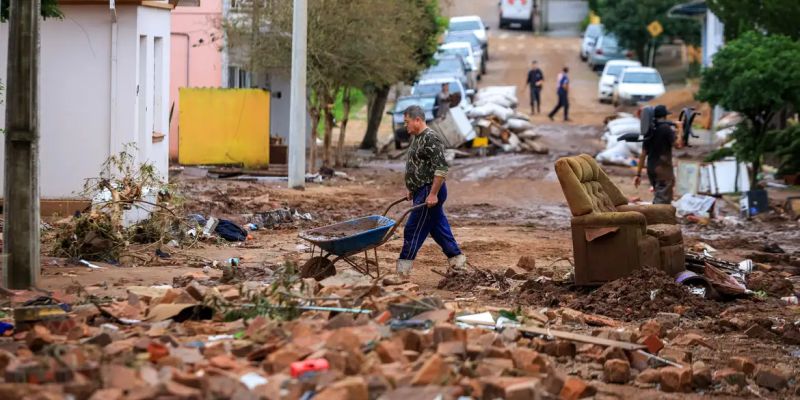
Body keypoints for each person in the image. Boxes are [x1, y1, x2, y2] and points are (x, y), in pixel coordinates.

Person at [397, 105, 466, 277]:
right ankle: (458, 262)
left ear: (417, 120)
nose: (406, 126)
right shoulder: (418, 138)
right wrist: (412, 188)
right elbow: (419, 166)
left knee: (413, 229)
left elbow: (441, 169)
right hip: (422, 190)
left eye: (407, 122)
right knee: (438, 229)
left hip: (430, 191)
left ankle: (402, 272)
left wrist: (433, 193)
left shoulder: (430, 138)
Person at [634, 105, 683, 204]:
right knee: (662, 202)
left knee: (660, 196)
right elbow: (678, 145)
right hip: (663, 170)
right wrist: (680, 129)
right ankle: (656, 218)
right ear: (665, 116)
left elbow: (643, 154)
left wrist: (638, 174)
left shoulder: (649, 130)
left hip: (652, 169)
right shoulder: (666, 129)